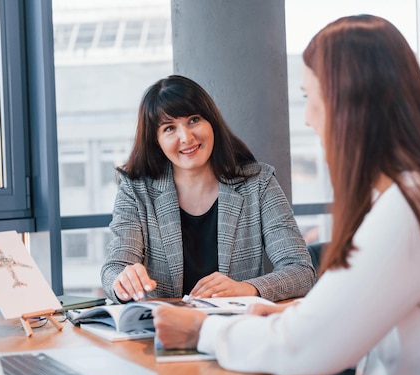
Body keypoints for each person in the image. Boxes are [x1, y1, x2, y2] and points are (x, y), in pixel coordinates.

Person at [152, 15, 420, 375]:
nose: (308, 119)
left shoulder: (415, 207)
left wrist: (202, 330)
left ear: (347, 106)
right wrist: (286, 317)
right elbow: (356, 312)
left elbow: (310, 347)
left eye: (311, 98)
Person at [101, 75, 316, 304]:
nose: (186, 137)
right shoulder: (136, 190)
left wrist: (246, 288)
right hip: (162, 330)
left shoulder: (258, 182)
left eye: (194, 120)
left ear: (211, 122)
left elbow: (301, 271)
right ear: (156, 141)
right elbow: (114, 267)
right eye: (169, 128)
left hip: (235, 330)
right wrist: (123, 281)